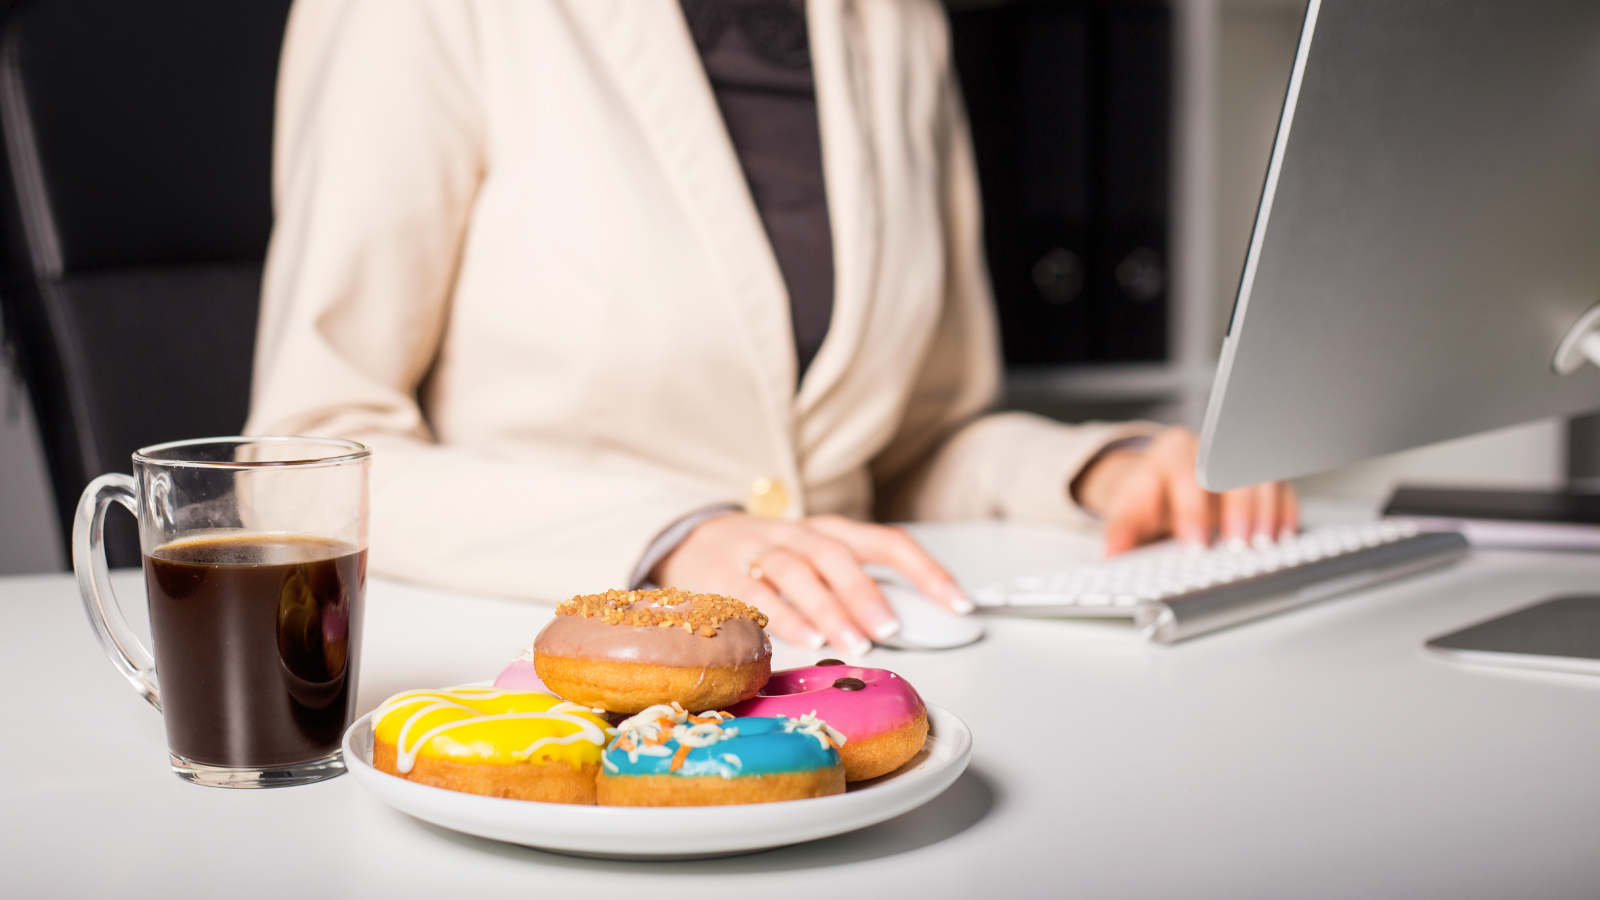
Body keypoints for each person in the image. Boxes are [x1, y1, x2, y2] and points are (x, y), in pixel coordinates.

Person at [246, 0, 1296, 656]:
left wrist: (1099, 470)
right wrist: (673, 541)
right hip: (541, 671)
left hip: (862, 665)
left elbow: (916, 440)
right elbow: (299, 461)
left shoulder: (897, 23)